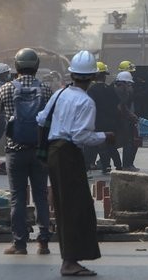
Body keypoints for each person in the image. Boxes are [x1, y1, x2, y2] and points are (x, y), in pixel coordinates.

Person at [37, 50, 114, 277]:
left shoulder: (60, 93)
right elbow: (81, 137)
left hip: (53, 151)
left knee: (65, 207)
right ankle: (69, 262)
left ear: (72, 75)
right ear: (92, 77)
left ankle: (70, 259)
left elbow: (41, 119)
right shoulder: (86, 102)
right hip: (68, 155)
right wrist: (105, 137)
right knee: (75, 209)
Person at [0, 48, 52, 255]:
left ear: (16, 66)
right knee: (41, 196)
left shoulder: (7, 88)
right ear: (36, 67)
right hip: (39, 151)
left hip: (14, 151)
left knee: (18, 197)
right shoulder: (45, 89)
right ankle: (43, 242)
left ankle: (19, 244)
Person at [87, 62, 122, 174]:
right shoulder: (110, 89)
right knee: (111, 144)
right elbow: (117, 105)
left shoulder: (91, 90)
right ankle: (118, 165)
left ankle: (106, 166)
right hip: (111, 121)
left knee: (101, 144)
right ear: (104, 75)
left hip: (98, 121)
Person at [114, 71, 139, 171]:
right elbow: (121, 106)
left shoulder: (119, 90)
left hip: (124, 119)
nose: (129, 86)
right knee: (127, 142)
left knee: (128, 142)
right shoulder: (120, 91)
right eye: (128, 84)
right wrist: (131, 115)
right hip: (122, 120)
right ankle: (126, 165)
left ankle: (126, 164)